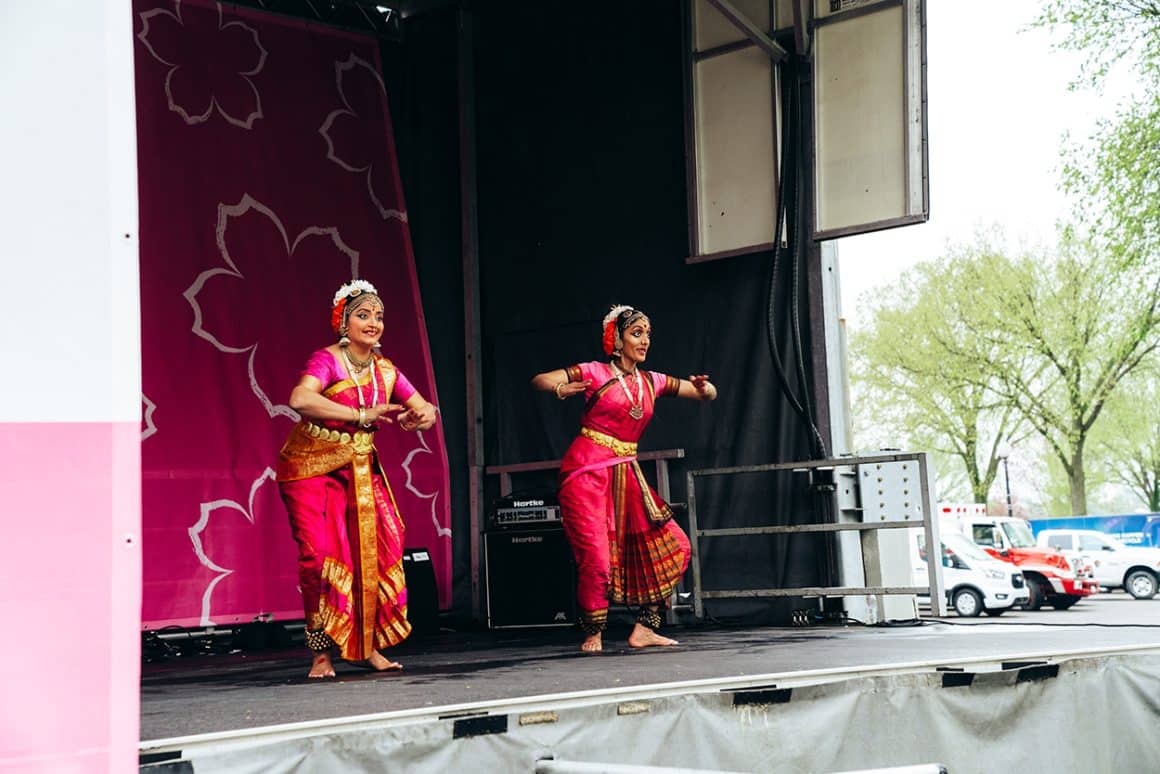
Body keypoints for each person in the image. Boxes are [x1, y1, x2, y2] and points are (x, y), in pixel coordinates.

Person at [275, 279, 437, 678]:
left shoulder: (385, 369)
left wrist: (420, 417)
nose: (373, 323)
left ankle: (367, 645)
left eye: (379, 316)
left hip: (360, 470)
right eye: (363, 315)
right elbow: (300, 399)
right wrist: (361, 416)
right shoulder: (326, 360)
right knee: (319, 557)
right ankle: (321, 654)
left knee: (379, 552)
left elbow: (426, 409)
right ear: (343, 322)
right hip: (310, 468)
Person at [531, 305, 717, 652]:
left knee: (677, 546)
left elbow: (708, 395)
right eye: (636, 333)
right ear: (616, 340)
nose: (645, 340)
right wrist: (560, 390)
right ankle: (593, 634)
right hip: (586, 473)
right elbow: (541, 379)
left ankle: (645, 629)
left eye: (647, 333)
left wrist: (704, 389)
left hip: (626, 475)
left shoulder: (652, 381)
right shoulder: (594, 372)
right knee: (597, 560)